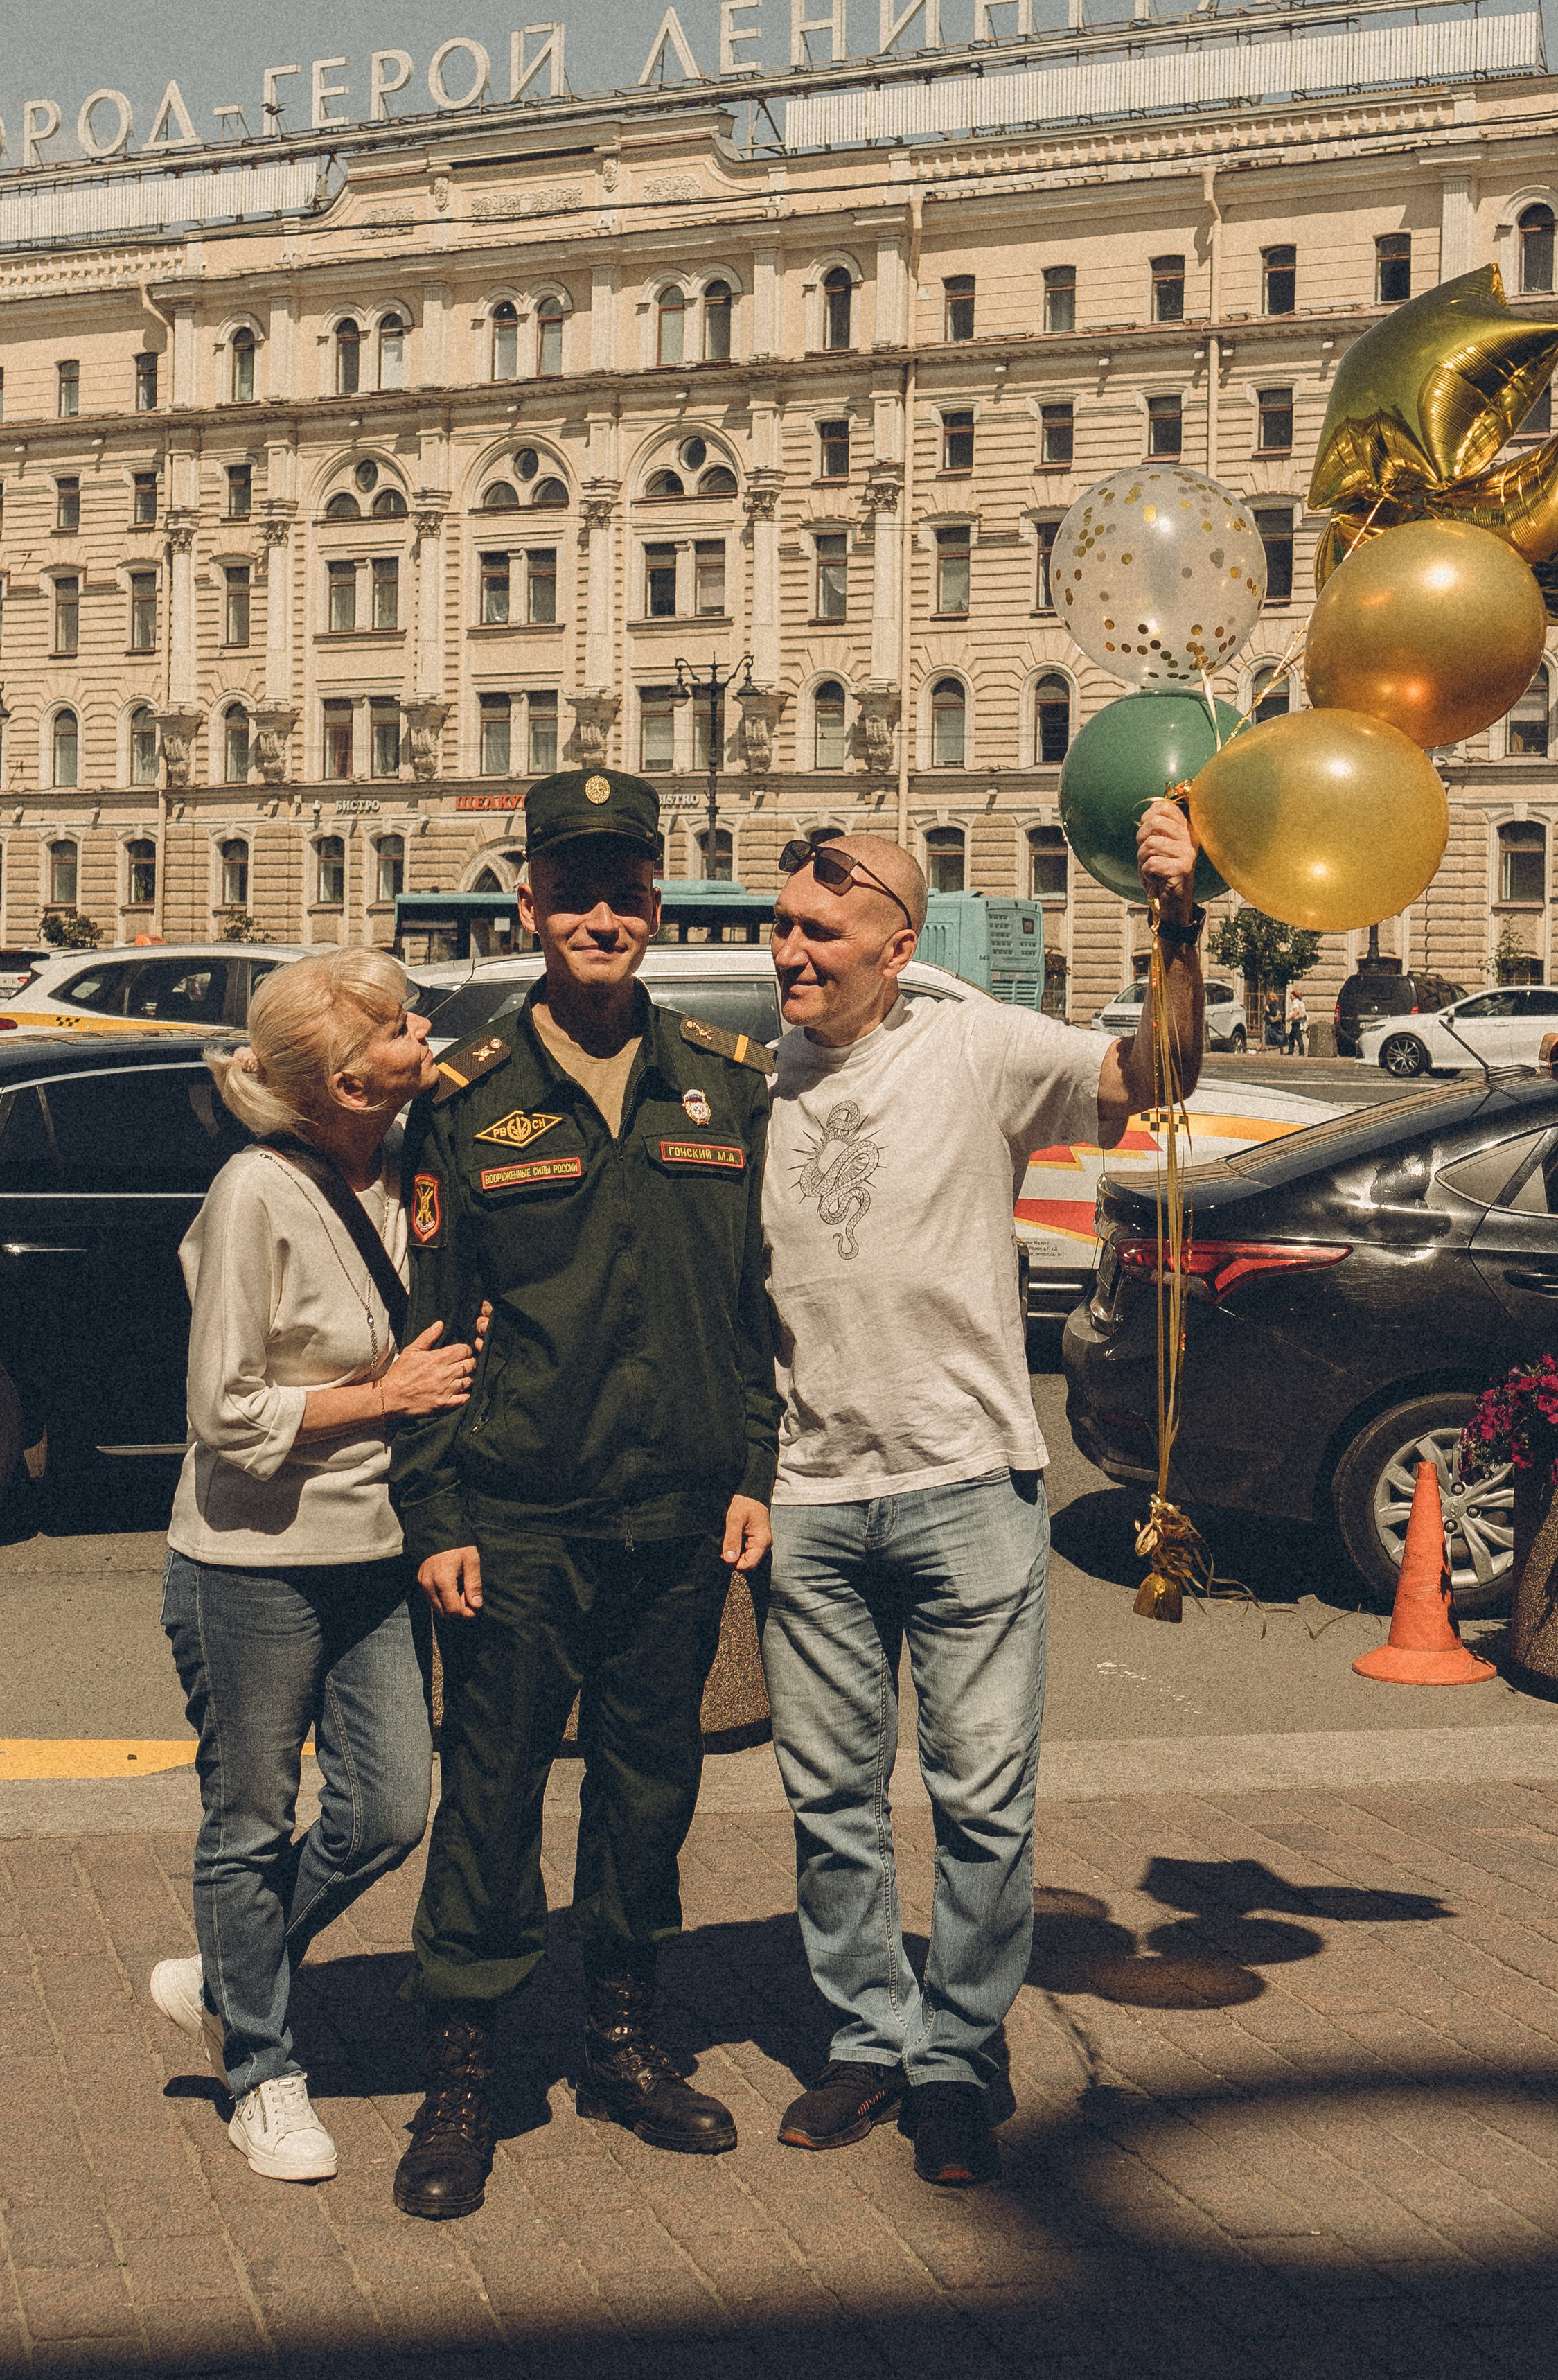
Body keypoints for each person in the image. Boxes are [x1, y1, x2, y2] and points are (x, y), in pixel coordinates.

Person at [760, 802, 1204, 2189]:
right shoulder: (749, 1078)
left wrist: (1173, 923)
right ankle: (864, 2037)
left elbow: (1160, 1075)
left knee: (980, 1803)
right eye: (780, 926)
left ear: (893, 947)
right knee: (830, 1800)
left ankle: (954, 2051)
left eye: (817, 932)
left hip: (965, 1484)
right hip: (810, 1498)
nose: (788, 951)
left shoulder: (973, 1042)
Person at [388, 767, 777, 2221]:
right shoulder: (469, 1098)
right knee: (486, 1801)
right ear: (528, 901)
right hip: (518, 1518)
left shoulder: (721, 1084)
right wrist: (435, 1518)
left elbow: (748, 1310)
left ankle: (620, 2044)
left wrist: (751, 1470)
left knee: (647, 1795)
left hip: (674, 1516)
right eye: (572, 887)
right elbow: (433, 1326)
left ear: (656, 905)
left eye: (624, 888)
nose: (598, 913)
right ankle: (463, 2076)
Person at [149, 949, 483, 2184]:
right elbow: (224, 1411)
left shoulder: (412, 1170)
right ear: (346, 1078)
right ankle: (262, 2075)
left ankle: (228, 1975)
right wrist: (382, 1395)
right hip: (252, 1559)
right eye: (400, 1028)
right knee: (248, 1818)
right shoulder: (254, 1191)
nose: (425, 1033)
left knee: (392, 1806)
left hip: (377, 1548)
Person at [1286, 982, 1309, 1056]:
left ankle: (1301, 1052)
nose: (1290, 996)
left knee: (1298, 1037)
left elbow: (1296, 1011)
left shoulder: (1295, 1001)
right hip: (1298, 1022)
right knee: (1291, 1036)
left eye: (1291, 995)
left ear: (1294, 995)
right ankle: (1291, 1051)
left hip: (1296, 1022)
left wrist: (1289, 1017)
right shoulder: (1300, 1002)